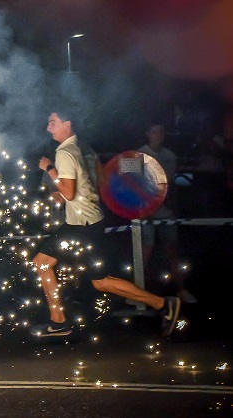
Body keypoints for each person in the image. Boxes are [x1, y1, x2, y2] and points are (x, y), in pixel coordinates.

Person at [31, 110, 181, 338]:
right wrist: (77, 192)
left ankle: (59, 322)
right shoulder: (84, 149)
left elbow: (69, 192)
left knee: (42, 262)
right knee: (101, 282)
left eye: (53, 123)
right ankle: (163, 304)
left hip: (81, 225)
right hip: (88, 222)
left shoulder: (63, 153)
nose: (48, 128)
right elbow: (99, 180)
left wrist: (49, 169)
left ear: (67, 124)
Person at [138, 122, 196, 303]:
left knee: (172, 250)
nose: (158, 135)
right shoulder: (136, 155)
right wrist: (140, 209)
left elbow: (171, 185)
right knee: (144, 250)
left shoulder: (170, 156)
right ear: (148, 133)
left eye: (161, 132)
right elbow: (128, 184)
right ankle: (136, 293)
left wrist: (173, 207)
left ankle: (181, 289)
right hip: (145, 211)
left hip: (165, 211)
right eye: (155, 132)